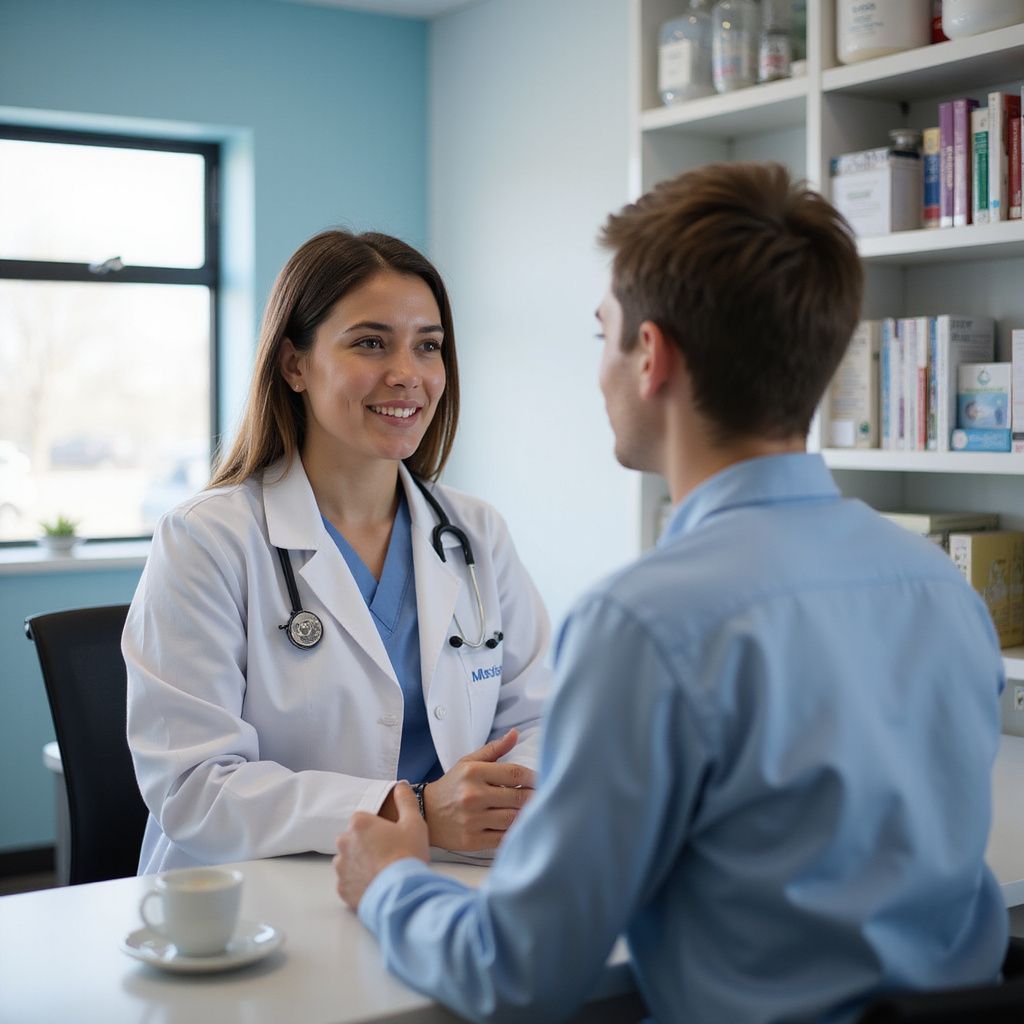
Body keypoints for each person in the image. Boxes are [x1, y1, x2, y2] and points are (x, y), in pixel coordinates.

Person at [332, 163, 1008, 1023]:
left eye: (603, 333)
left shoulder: (645, 625)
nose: (601, 368)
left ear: (650, 356)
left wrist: (388, 882)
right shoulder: (939, 588)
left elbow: (518, 975)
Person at [124, 230, 550, 874]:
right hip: (256, 894)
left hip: (448, 874)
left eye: (428, 346)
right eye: (370, 342)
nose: (407, 374)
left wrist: (503, 797)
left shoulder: (475, 534)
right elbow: (194, 787)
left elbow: (541, 719)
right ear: (295, 365)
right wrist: (410, 808)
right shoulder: (208, 539)